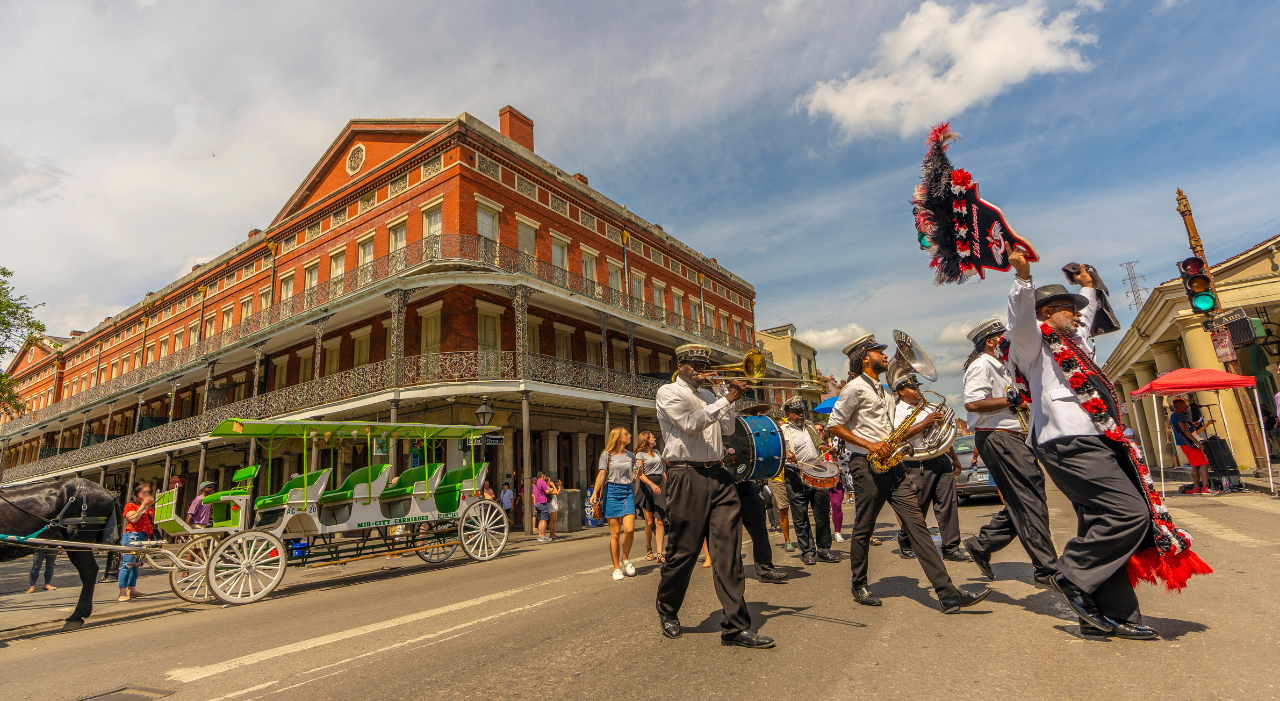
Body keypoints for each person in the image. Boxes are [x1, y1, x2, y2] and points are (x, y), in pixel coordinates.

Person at [1006, 249, 1171, 640]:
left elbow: (1086, 321)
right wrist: (1023, 277)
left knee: (1101, 521)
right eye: (1069, 309)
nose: (1078, 315)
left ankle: (1108, 615)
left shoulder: (1076, 344)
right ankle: (1072, 574)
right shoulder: (1032, 347)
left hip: (1096, 438)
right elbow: (1021, 319)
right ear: (1046, 314)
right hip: (1068, 440)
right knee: (1129, 514)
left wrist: (1089, 288)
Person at [827, 333, 990, 613]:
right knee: (864, 527)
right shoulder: (853, 388)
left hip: (893, 465)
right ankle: (859, 583)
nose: (885, 355)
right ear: (865, 357)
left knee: (918, 526)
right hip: (866, 465)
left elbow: (889, 430)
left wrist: (896, 441)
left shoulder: (885, 390)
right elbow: (833, 424)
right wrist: (870, 444)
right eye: (879, 352)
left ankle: (948, 593)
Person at [654, 343, 773, 649]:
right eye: (693, 364)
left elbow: (729, 426)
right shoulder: (668, 393)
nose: (699, 370)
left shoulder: (709, 395)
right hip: (686, 475)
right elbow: (690, 424)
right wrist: (727, 400)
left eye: (702, 365)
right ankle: (667, 607)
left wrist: (726, 398)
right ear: (680, 364)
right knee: (685, 551)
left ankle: (735, 627)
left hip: (719, 475)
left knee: (728, 553)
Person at [959, 317, 1059, 589]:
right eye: (1003, 336)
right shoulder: (982, 364)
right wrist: (1009, 400)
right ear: (990, 341)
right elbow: (972, 403)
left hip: (1010, 437)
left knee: (1025, 498)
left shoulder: (1002, 366)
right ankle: (1046, 568)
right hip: (999, 437)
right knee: (1030, 501)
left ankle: (983, 545)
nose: (1009, 341)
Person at [891, 376, 971, 562]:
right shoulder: (896, 410)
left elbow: (942, 434)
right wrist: (925, 422)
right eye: (913, 387)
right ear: (902, 391)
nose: (918, 390)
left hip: (940, 460)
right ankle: (905, 539)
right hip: (915, 463)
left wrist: (955, 459)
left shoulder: (928, 407)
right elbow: (899, 435)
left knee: (948, 505)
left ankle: (951, 548)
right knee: (917, 509)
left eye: (918, 386)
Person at [780, 397, 839, 566]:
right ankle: (807, 551)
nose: (800, 415)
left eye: (802, 412)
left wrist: (828, 449)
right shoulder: (783, 431)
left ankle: (824, 549)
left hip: (817, 471)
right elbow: (778, 450)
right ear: (788, 414)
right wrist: (786, 453)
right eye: (796, 412)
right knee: (800, 516)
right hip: (795, 474)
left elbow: (820, 445)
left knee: (822, 514)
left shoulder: (811, 427)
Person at [589, 427, 637, 580]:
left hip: (627, 491)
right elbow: (602, 474)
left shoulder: (631, 456)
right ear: (617, 438)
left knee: (629, 530)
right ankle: (616, 567)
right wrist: (595, 493)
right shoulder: (606, 455)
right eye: (625, 434)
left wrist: (637, 472)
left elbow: (634, 474)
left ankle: (625, 558)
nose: (629, 436)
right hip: (611, 492)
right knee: (615, 534)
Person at [633, 430, 668, 563]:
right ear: (647, 440)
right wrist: (651, 484)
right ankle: (649, 549)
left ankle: (660, 553)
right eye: (653, 437)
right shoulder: (639, 455)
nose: (655, 439)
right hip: (647, 486)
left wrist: (667, 484)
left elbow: (662, 470)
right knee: (649, 521)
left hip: (659, 484)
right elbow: (640, 474)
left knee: (659, 519)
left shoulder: (658, 452)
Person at [119, 483, 156, 602]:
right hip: (132, 536)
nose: (147, 495)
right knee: (128, 564)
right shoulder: (131, 505)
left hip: (144, 536)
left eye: (148, 493)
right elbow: (133, 519)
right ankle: (122, 592)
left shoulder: (149, 508)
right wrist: (143, 505)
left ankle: (132, 589)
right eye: (144, 493)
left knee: (137, 565)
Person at [1170, 398, 1212, 494]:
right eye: (1186, 405)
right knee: (1204, 463)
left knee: (1195, 464)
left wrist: (1193, 425)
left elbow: (1185, 428)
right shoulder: (1179, 415)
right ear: (1181, 405)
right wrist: (1198, 443)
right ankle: (1205, 486)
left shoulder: (1174, 415)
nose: (1187, 407)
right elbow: (1185, 430)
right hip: (1189, 443)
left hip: (1183, 443)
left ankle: (1196, 487)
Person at [533, 472, 551, 542]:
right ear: (543, 476)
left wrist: (535, 505)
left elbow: (534, 495)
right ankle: (543, 536)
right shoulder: (543, 482)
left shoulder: (535, 484)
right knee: (544, 520)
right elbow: (546, 491)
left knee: (540, 520)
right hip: (542, 503)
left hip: (537, 503)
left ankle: (540, 535)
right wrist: (551, 490)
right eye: (545, 476)